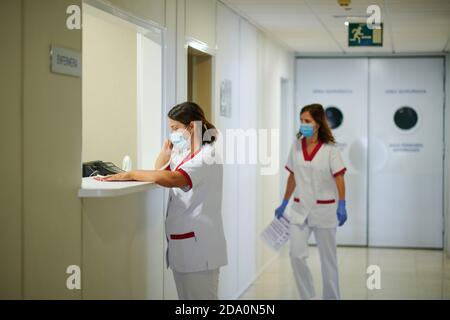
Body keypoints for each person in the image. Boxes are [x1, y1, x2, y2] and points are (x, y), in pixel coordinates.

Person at [96, 102, 228, 300]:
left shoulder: (207, 156)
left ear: (192, 127)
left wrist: (129, 174)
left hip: (200, 248)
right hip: (185, 244)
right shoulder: (182, 154)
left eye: (175, 128)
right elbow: (159, 172)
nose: (172, 134)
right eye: (170, 129)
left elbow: (174, 179)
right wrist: (165, 154)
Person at [275, 103, 347, 300]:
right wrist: (284, 202)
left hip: (324, 210)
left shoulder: (330, 149)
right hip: (300, 209)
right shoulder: (296, 147)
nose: (303, 124)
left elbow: (339, 177)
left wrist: (342, 203)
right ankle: (308, 297)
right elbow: (292, 177)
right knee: (296, 255)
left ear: (318, 124)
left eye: (307, 121)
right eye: (301, 121)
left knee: (328, 260)